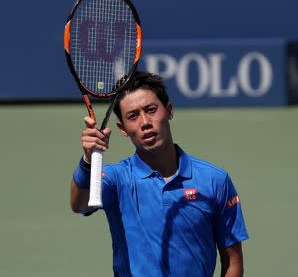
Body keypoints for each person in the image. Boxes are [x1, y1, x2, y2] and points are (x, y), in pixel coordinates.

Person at [70, 71, 249, 277]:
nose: (145, 122)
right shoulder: (116, 179)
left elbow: (233, 262)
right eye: (133, 116)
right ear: (123, 128)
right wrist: (87, 162)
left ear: (169, 110)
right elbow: (79, 204)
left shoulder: (215, 180)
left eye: (151, 110)